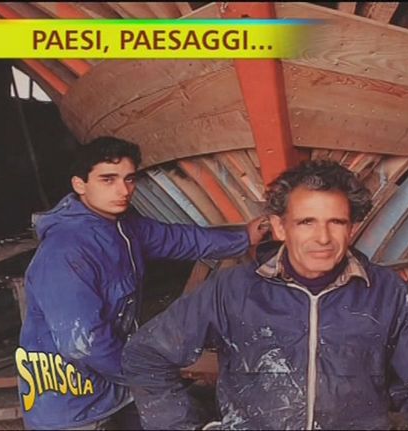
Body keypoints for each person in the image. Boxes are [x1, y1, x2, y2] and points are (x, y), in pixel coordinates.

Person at [122, 159, 408, 430]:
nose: (323, 238)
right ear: (280, 227)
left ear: (352, 228)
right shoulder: (232, 289)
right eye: (306, 222)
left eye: (336, 222)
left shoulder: (387, 293)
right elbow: (146, 355)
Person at [17, 136, 269, 430]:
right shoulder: (65, 252)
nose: (123, 190)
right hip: (71, 404)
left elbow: (180, 239)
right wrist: (149, 376)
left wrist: (243, 237)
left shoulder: (122, 228)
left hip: (113, 389)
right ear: (79, 185)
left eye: (129, 179)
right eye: (108, 179)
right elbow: (83, 345)